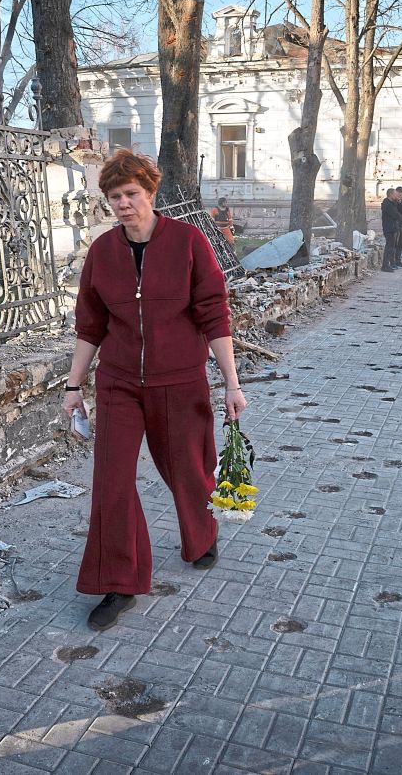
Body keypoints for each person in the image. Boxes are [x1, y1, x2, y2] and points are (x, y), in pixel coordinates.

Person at [62, 150, 247, 631]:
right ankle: (119, 582)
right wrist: (73, 385)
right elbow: (90, 325)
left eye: (131, 194)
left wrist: (231, 382)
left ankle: (201, 535)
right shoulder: (102, 253)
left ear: (150, 193)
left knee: (189, 467)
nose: (123, 204)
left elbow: (214, 315)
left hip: (179, 379)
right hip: (119, 383)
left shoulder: (187, 242)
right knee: (112, 480)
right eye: (114, 197)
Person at [379, 188, 402, 271]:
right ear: (390, 195)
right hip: (389, 228)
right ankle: (385, 266)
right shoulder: (387, 204)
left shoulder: (393, 203)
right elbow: (396, 215)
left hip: (393, 228)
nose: (396, 196)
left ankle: (389, 264)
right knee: (389, 247)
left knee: (392, 247)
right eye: (395, 194)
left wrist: (399, 204)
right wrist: (400, 217)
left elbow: (400, 212)